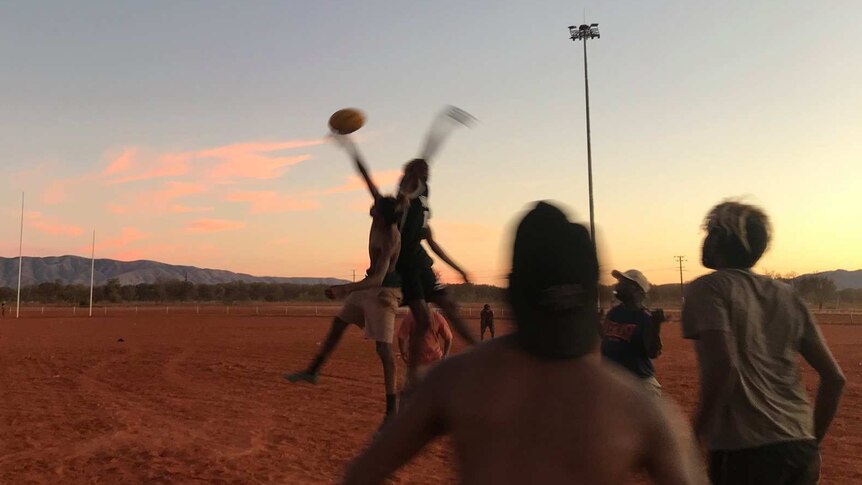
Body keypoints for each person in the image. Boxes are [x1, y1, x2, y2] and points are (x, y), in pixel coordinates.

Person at [343, 201, 707, 485]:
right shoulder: (645, 411)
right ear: (593, 297)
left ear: (513, 294)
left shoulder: (454, 381)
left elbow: (362, 475)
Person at [682, 200, 845, 485]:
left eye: (709, 233)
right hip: (799, 446)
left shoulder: (708, 288)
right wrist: (811, 444)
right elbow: (834, 378)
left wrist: (696, 437)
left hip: (745, 452)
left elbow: (722, 368)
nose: (704, 241)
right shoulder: (787, 295)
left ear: (720, 239)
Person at [284, 135, 406, 424]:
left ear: (382, 215)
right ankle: (313, 371)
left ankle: (392, 411)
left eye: (375, 207)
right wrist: (351, 146)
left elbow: (378, 278)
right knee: (339, 323)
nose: (371, 206)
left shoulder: (390, 238)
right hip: (368, 287)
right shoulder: (381, 213)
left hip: (383, 292)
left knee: (383, 350)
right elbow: (367, 178)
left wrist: (344, 288)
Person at [395, 159, 477, 384]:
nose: (428, 173)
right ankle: (412, 377)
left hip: (422, 263)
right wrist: (411, 173)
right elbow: (404, 189)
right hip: (405, 265)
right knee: (421, 318)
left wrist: (459, 268)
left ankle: (480, 351)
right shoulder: (405, 198)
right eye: (423, 170)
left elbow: (432, 242)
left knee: (449, 305)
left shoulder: (423, 205)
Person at [601, 269, 665, 396]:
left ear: (638, 291)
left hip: (639, 381)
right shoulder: (613, 313)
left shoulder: (645, 317)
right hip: (612, 381)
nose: (618, 285)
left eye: (624, 283)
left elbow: (652, 352)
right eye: (619, 282)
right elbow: (605, 340)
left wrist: (655, 326)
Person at [396, 307, 453, 381]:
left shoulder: (411, 317)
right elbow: (448, 338)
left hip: (417, 359)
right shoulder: (437, 317)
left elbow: (401, 337)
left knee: (413, 385)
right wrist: (445, 355)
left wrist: (403, 353)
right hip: (434, 359)